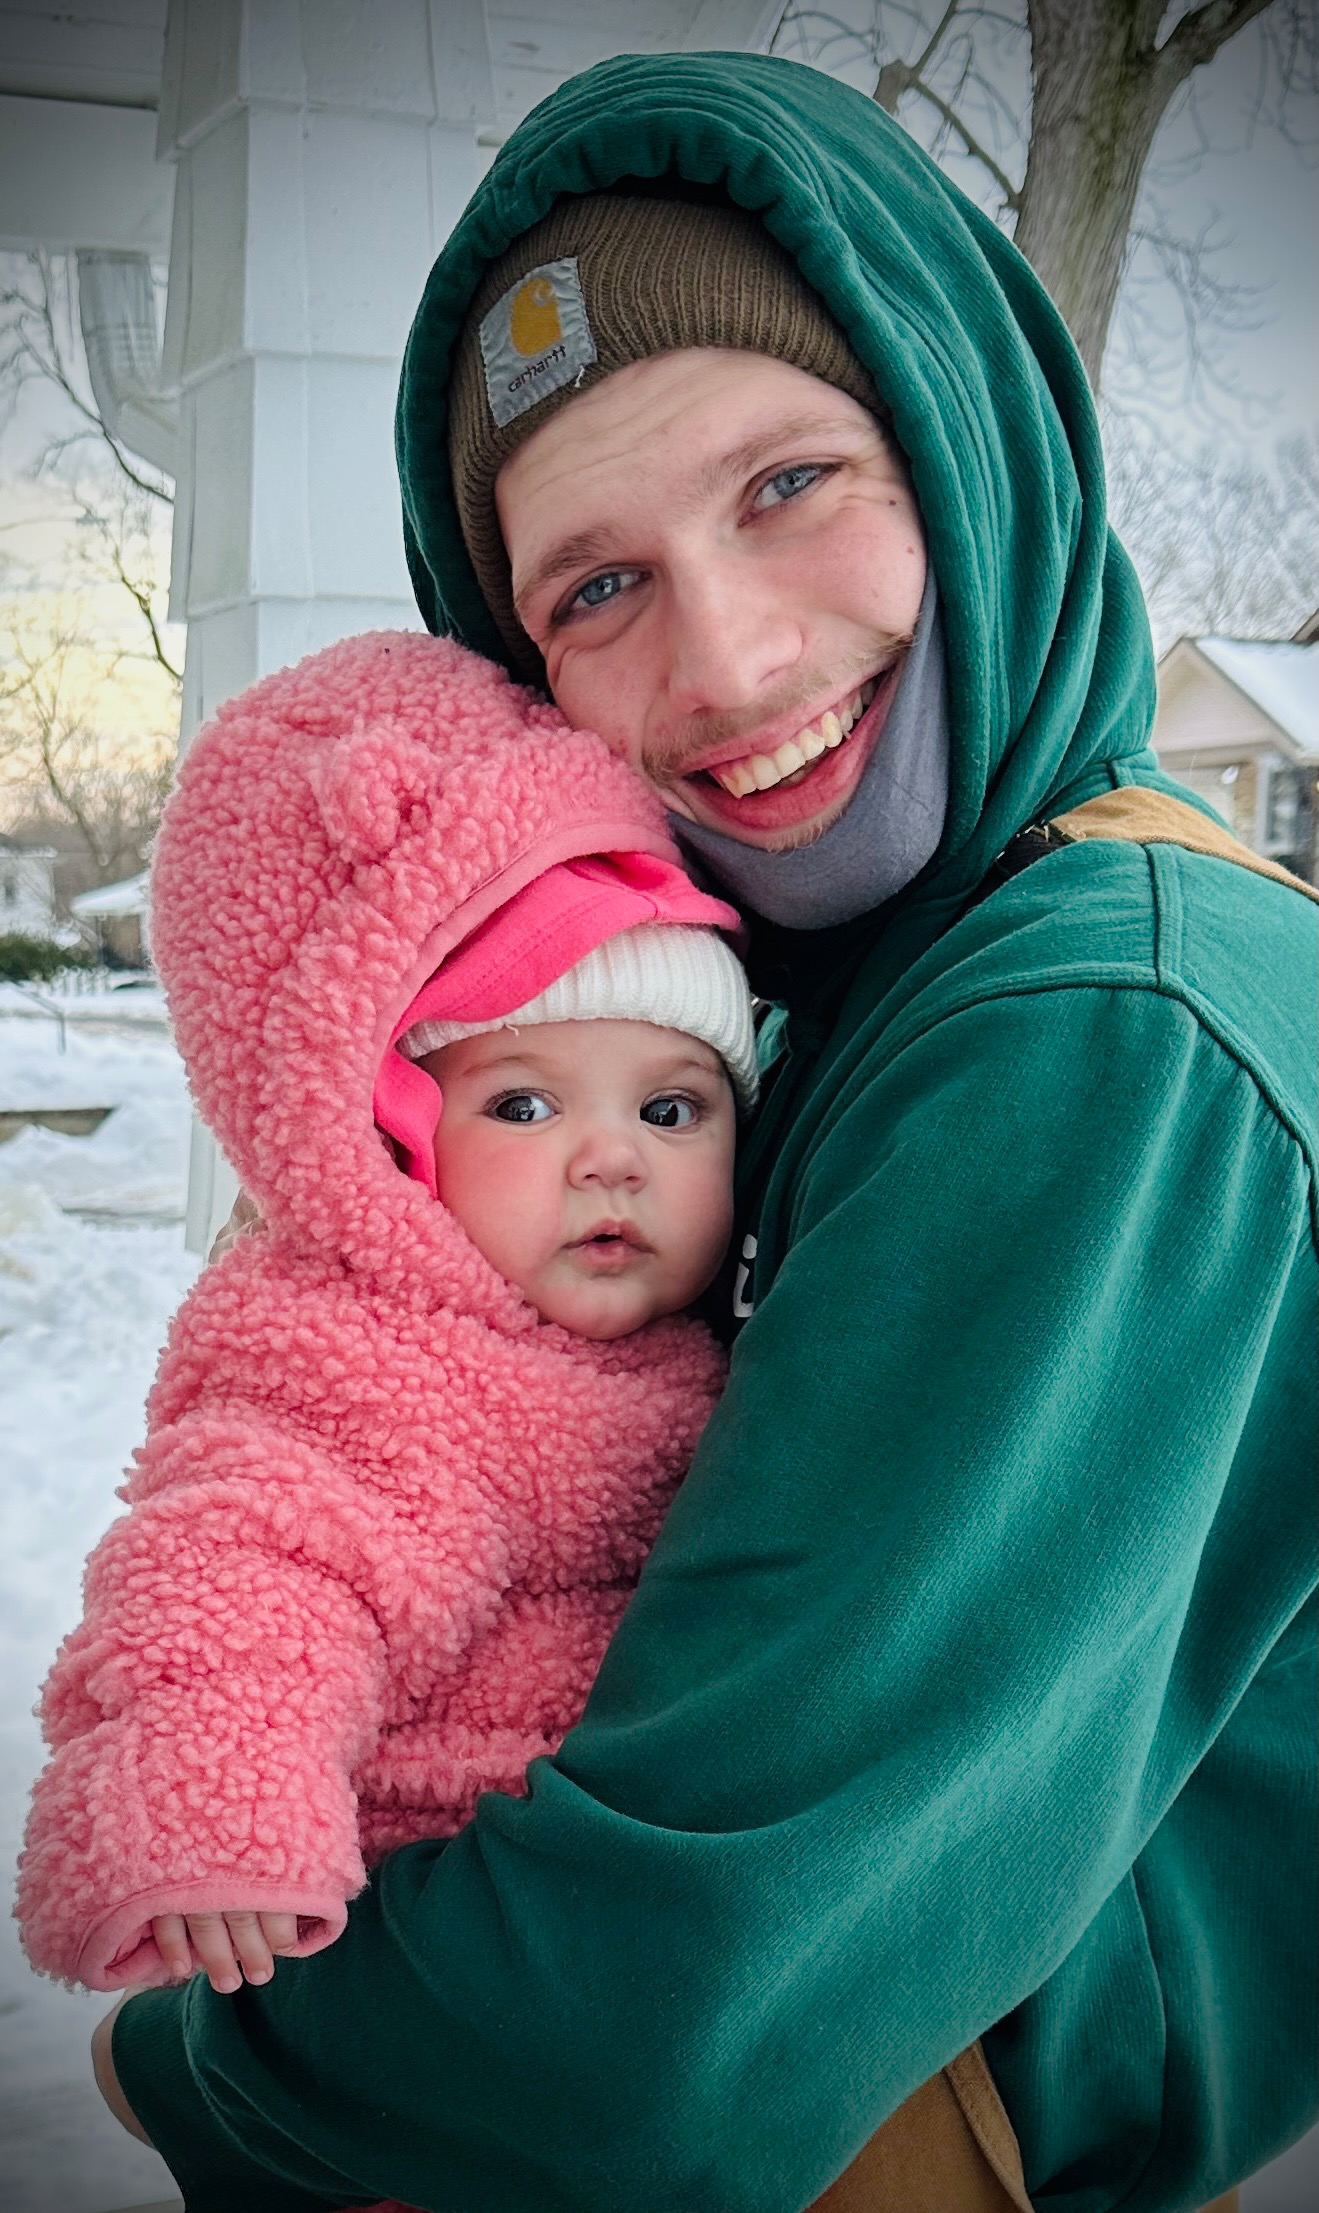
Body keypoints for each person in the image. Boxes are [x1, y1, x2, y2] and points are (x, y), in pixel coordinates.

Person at [92, 48, 1316, 2213]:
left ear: (966, 444)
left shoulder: (1094, 1025)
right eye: (594, 589)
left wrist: (197, 2067)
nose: (733, 663)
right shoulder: (847, 986)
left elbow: (667, 2026)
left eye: (789, 484)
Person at [18, 630, 756, 2001]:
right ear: (401, 1140)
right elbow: (254, 1570)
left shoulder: (704, 1343)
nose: (612, 1157)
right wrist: (219, 1806)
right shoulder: (370, 1361)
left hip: (629, 1916)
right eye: (523, 1104)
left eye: (672, 1107)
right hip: (428, 1910)